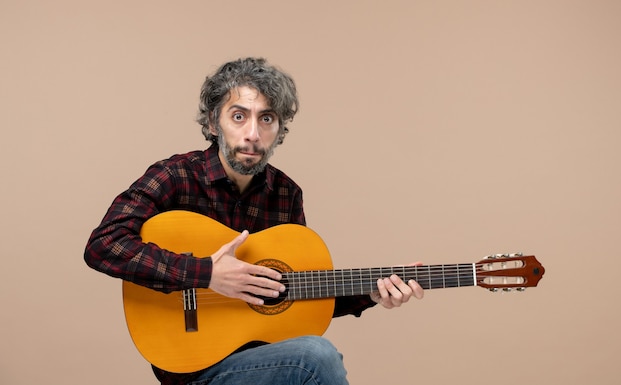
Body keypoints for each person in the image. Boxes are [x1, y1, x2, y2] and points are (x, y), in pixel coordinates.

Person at [84, 57, 424, 385]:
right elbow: (104, 245)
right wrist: (207, 274)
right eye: (238, 116)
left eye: (266, 119)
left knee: (311, 356)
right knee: (316, 356)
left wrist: (373, 293)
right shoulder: (176, 175)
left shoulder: (286, 193)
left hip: (261, 363)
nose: (252, 133)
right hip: (192, 370)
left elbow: (291, 295)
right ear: (213, 123)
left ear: (279, 130)